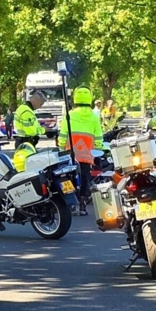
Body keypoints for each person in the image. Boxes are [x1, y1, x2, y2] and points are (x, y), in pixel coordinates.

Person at [58, 86, 104, 216]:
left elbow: (63, 135)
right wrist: (97, 151)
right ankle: (83, 205)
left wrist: (61, 147)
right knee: (85, 179)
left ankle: (71, 204)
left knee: (67, 178)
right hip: (86, 155)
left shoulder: (69, 115)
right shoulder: (94, 117)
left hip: (70, 154)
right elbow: (98, 137)